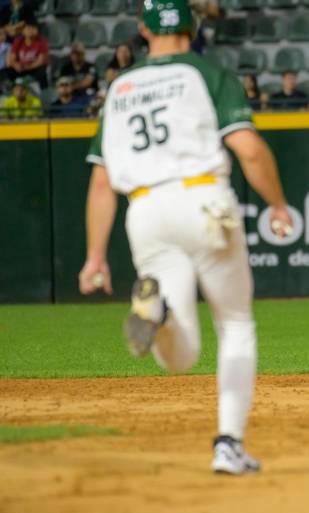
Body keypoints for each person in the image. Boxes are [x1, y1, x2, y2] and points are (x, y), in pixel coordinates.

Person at [78, 0, 292, 476]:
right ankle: (228, 444)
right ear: (192, 27)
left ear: (141, 30)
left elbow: (99, 184)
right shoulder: (207, 74)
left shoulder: (119, 88)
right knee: (235, 323)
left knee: (181, 356)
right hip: (202, 201)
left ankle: (162, 314)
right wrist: (277, 203)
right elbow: (249, 150)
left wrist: (95, 255)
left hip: (145, 210)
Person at [5, 20, 48, 88]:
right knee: (7, 70)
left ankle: (43, 91)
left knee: (42, 71)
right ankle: (11, 88)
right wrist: (16, 65)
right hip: (21, 67)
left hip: (33, 67)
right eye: (28, 28)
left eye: (33, 28)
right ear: (23, 31)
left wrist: (27, 67)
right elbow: (12, 58)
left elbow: (40, 61)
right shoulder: (18, 40)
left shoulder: (42, 41)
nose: (30, 31)